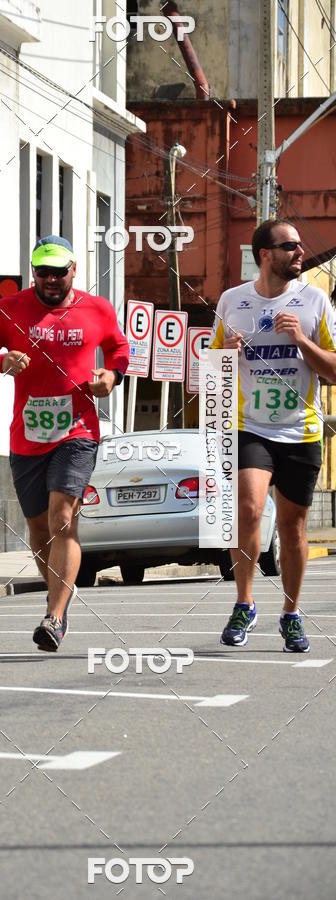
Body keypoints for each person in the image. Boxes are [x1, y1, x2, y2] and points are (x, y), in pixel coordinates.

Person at [0, 235, 129, 651]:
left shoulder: (97, 309)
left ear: (75, 269)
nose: (51, 280)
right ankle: (59, 596)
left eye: (59, 271)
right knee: (39, 529)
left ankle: (54, 618)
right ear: (33, 272)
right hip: (28, 436)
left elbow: (119, 350)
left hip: (78, 431)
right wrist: (1, 362)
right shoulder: (9, 310)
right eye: (43, 272)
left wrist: (110, 377)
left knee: (62, 519)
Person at [210, 218, 336, 653]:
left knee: (292, 526)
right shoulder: (232, 301)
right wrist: (223, 354)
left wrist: (301, 339)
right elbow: (211, 373)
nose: (300, 253)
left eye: (300, 246)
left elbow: (334, 372)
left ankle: (291, 612)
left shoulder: (315, 301)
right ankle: (244, 603)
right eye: (290, 247)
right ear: (265, 254)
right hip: (251, 427)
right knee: (248, 508)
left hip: (300, 430)